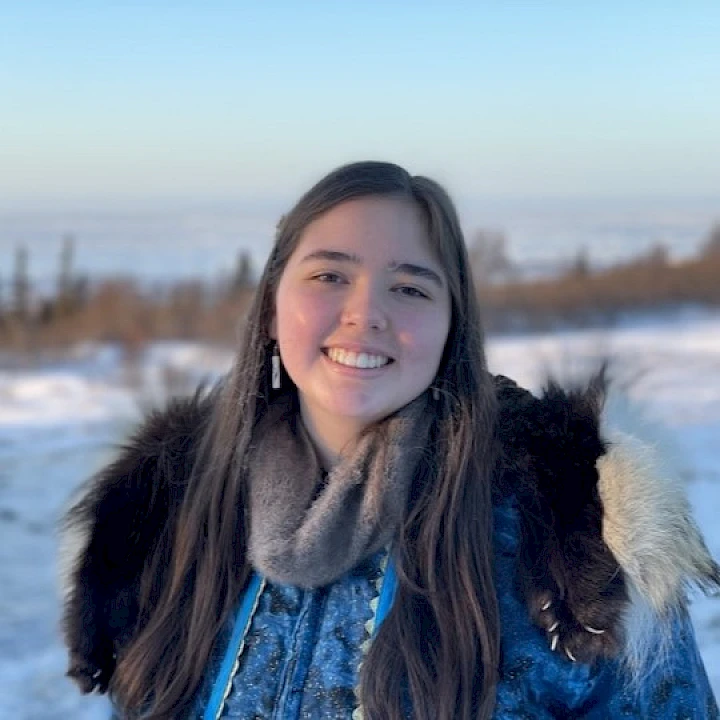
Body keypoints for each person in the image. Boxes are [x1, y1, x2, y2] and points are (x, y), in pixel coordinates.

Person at [61, 161, 719, 719]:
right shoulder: (159, 512)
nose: (366, 313)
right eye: (329, 275)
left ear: (451, 328)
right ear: (270, 308)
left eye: (409, 287)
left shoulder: (570, 530)